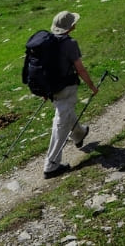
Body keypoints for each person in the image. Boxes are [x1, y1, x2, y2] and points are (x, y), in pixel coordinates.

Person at [43, 10, 99, 179]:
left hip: (52, 88)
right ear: (70, 26)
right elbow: (80, 68)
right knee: (60, 123)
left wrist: (44, 90)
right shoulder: (70, 43)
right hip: (66, 87)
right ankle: (51, 166)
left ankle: (79, 133)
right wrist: (92, 86)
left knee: (65, 112)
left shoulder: (46, 42)